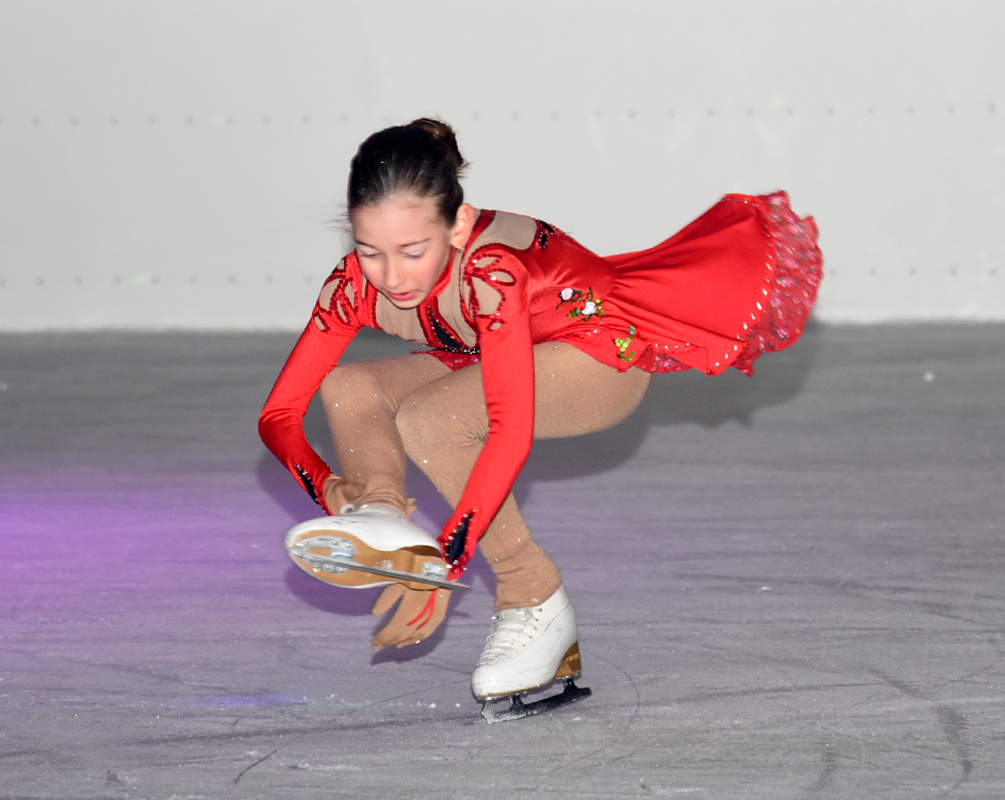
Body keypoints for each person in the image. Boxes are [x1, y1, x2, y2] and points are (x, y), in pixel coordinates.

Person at [259, 117, 821, 711]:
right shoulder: (351, 286)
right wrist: (335, 492)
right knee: (351, 387)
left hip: (598, 356)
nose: (391, 277)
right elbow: (279, 415)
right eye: (370, 251)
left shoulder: (492, 271)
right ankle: (381, 515)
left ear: (459, 226)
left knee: (432, 419)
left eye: (412, 252)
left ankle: (532, 594)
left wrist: (446, 560)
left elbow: (510, 430)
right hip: (494, 353)